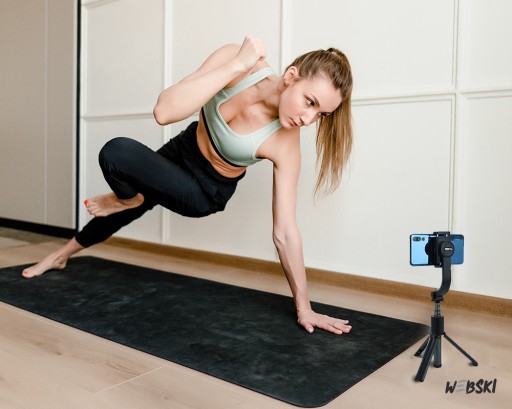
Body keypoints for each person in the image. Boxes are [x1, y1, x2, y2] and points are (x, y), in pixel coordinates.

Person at [22, 36, 353, 335]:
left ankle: (127, 199)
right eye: (310, 102)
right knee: (117, 158)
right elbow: (165, 111)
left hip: (205, 190)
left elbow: (285, 232)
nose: (308, 119)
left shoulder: (285, 144)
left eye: (320, 115)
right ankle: (63, 254)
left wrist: (304, 307)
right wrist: (237, 64)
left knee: (121, 162)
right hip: (182, 150)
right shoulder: (237, 61)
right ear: (291, 76)